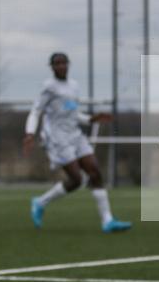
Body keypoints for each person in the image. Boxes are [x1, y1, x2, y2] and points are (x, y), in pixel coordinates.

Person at [23, 52, 132, 234]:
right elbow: (36, 111)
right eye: (56, 64)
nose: (60, 66)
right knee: (77, 179)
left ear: (68, 64)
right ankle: (40, 202)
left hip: (75, 135)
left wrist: (91, 119)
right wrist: (29, 133)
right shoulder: (49, 87)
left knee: (95, 172)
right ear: (51, 67)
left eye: (63, 63)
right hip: (58, 139)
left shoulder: (74, 86)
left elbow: (72, 114)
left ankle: (108, 221)